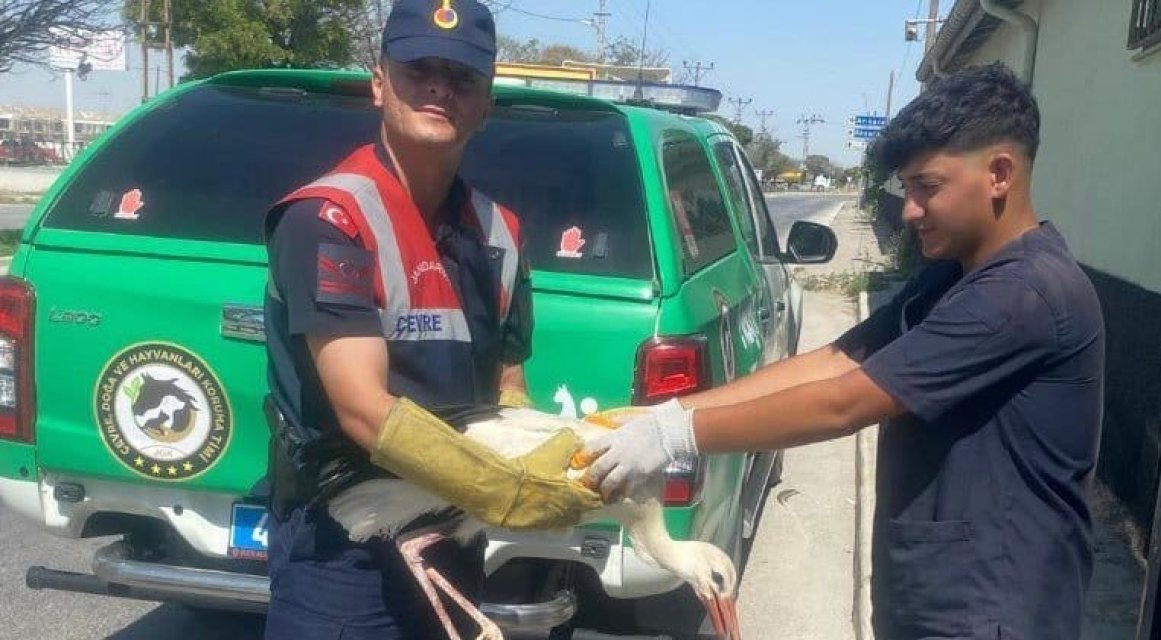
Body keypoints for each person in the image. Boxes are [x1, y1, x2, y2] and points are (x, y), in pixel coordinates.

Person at [588, 63, 1105, 640]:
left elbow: (845, 403)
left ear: (1000, 174)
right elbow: (843, 358)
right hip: (936, 597)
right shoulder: (955, 276)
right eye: (905, 189)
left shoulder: (1024, 294)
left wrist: (673, 438)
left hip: (995, 609)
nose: (909, 210)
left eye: (926, 188)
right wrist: (669, 414)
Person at [261, 1, 601, 637]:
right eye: (421, 69)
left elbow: (507, 387)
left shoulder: (501, 233)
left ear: (486, 101)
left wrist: (556, 461)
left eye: (464, 76)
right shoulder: (331, 218)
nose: (442, 87)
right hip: (345, 545)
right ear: (380, 82)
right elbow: (362, 409)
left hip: (450, 532)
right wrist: (504, 492)